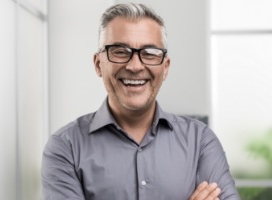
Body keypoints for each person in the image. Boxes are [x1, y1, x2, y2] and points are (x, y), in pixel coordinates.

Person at [41, 3, 240, 200]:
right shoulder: (65, 148)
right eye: (119, 51)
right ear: (98, 64)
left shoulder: (201, 141)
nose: (135, 66)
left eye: (150, 53)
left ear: (165, 68)